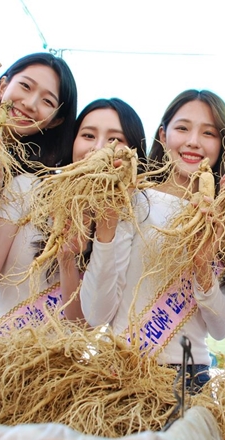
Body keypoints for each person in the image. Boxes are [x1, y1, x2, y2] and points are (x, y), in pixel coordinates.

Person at [80, 89, 225, 391]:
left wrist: (203, 266)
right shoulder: (133, 200)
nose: (193, 141)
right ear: (163, 135)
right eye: (182, 128)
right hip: (117, 370)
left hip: (188, 376)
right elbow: (96, 313)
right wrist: (106, 228)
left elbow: (221, 329)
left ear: (222, 144)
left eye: (208, 133)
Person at [0, 52, 78, 330]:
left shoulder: (29, 182)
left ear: (56, 121)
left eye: (47, 101)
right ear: (2, 85)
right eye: (25, 86)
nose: (30, 103)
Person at [56, 97, 149, 309]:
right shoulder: (38, 195)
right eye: (88, 135)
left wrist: (67, 259)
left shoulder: (134, 217)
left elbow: (85, 322)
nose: (98, 148)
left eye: (114, 140)